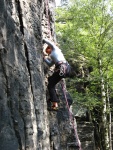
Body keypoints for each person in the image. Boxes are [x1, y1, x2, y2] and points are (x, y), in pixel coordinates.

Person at [43, 38, 71, 110]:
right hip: (64, 68)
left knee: (50, 85)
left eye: (48, 52)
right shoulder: (53, 56)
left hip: (62, 68)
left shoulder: (55, 49)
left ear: (49, 48)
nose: (48, 54)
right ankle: (54, 98)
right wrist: (44, 58)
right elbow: (49, 64)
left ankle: (55, 104)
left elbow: (49, 43)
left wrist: (43, 40)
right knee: (50, 80)